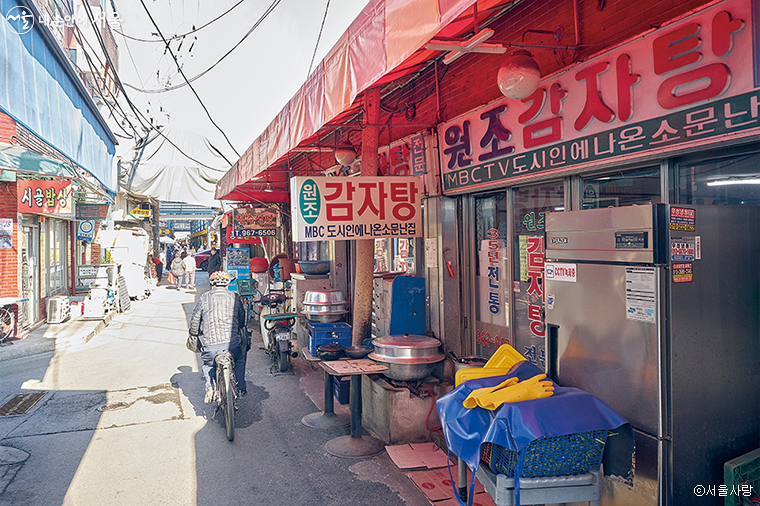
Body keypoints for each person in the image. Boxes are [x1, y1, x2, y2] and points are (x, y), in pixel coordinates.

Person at [188, 271, 248, 403]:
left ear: (212, 285)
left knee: (208, 364)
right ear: (227, 285)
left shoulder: (204, 297)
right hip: (232, 344)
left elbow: (195, 319)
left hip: (211, 346)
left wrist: (194, 333)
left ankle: (209, 386)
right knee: (239, 359)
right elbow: (242, 319)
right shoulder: (234, 296)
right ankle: (242, 387)